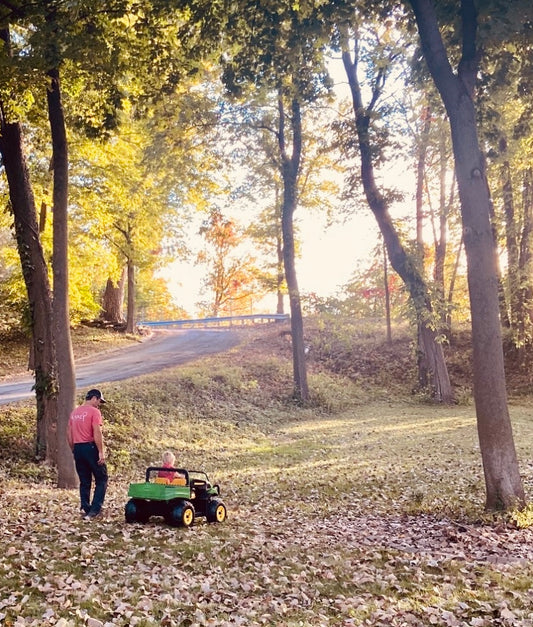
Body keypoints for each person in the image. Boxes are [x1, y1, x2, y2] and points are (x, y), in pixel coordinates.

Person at [67, 388, 108, 520]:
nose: (99, 404)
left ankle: (86, 507)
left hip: (78, 448)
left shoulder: (74, 413)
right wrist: (101, 452)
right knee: (101, 479)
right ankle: (95, 509)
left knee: (84, 481)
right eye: (99, 401)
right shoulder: (94, 412)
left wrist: (73, 449)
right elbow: (97, 432)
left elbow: (69, 433)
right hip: (90, 447)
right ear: (94, 398)